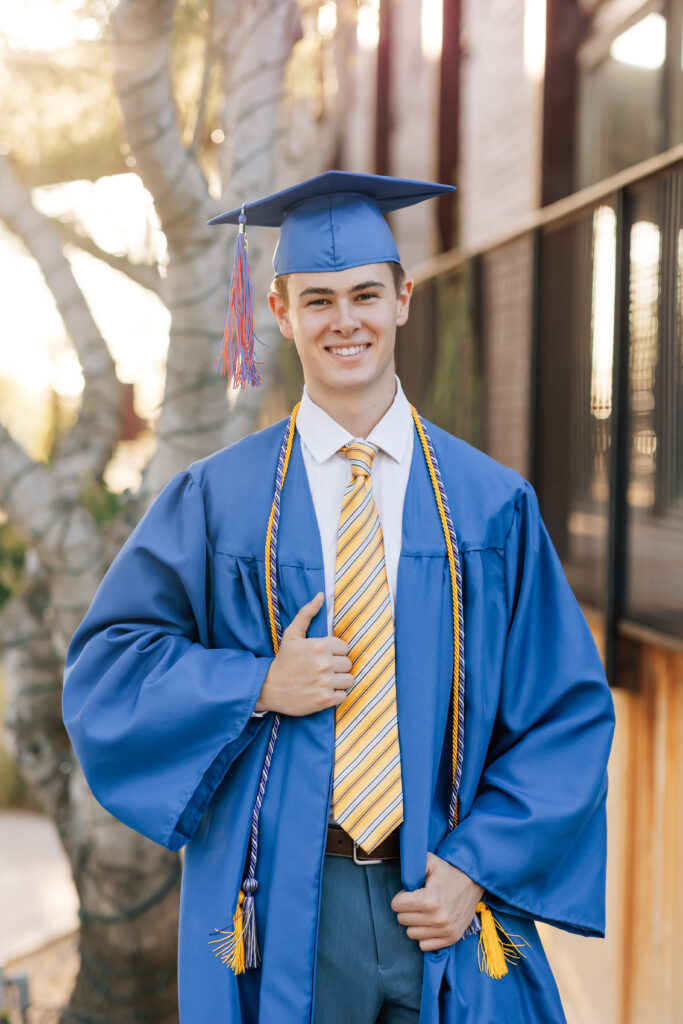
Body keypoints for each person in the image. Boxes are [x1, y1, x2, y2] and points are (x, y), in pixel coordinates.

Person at [63, 171, 615, 1023]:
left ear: (403, 298)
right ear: (278, 312)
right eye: (317, 300)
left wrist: (475, 869)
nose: (344, 320)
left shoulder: (488, 504)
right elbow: (109, 670)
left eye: (364, 294)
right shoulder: (218, 502)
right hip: (284, 900)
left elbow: (564, 713)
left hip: (438, 898)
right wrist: (255, 685)